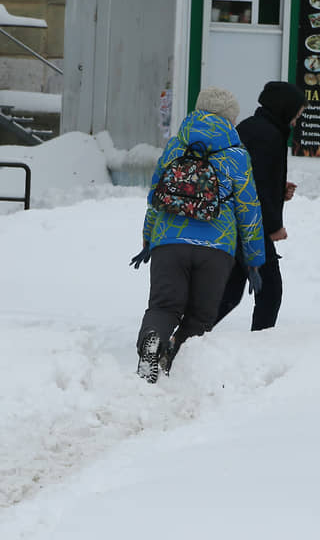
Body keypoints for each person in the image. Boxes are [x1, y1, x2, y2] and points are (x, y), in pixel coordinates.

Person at [131, 86, 266, 383]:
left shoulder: (176, 146)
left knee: (164, 306)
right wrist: (255, 258)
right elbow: (249, 209)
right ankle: (175, 360)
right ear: (231, 118)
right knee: (200, 315)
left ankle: (151, 344)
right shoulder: (236, 155)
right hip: (216, 248)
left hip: (170, 241)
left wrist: (149, 237)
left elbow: (156, 195)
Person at [214, 81, 307, 331]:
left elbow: (254, 177)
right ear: (284, 109)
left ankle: (187, 335)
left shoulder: (253, 128)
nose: (296, 121)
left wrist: (279, 188)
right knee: (270, 291)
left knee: (230, 292)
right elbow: (258, 188)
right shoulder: (268, 136)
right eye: (296, 114)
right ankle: (260, 345)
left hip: (234, 219)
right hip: (249, 223)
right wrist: (274, 226)